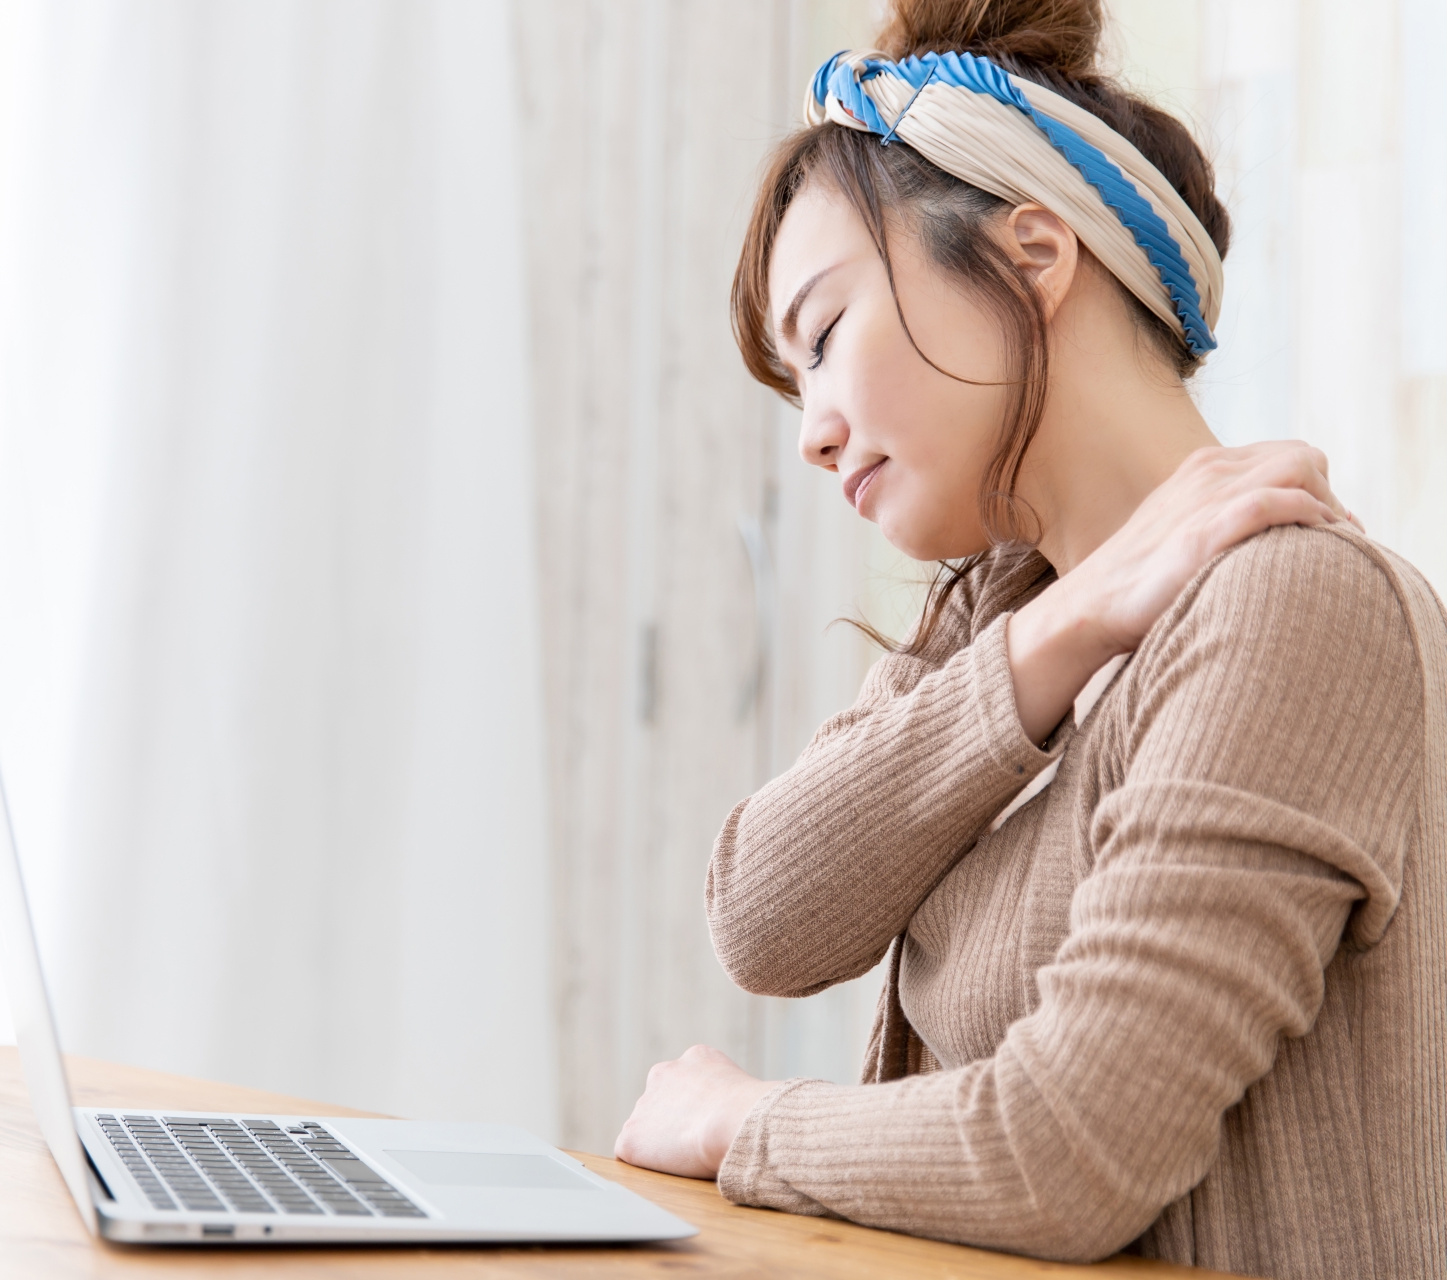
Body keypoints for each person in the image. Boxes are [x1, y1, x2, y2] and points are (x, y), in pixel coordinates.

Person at [610, 2, 1446, 1276]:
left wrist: (741, 1119)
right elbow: (763, 920)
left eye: (824, 337)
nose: (813, 433)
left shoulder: (1298, 604)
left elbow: (1066, 1154)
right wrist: (1065, 621)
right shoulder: (1003, 613)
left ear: (1033, 254)